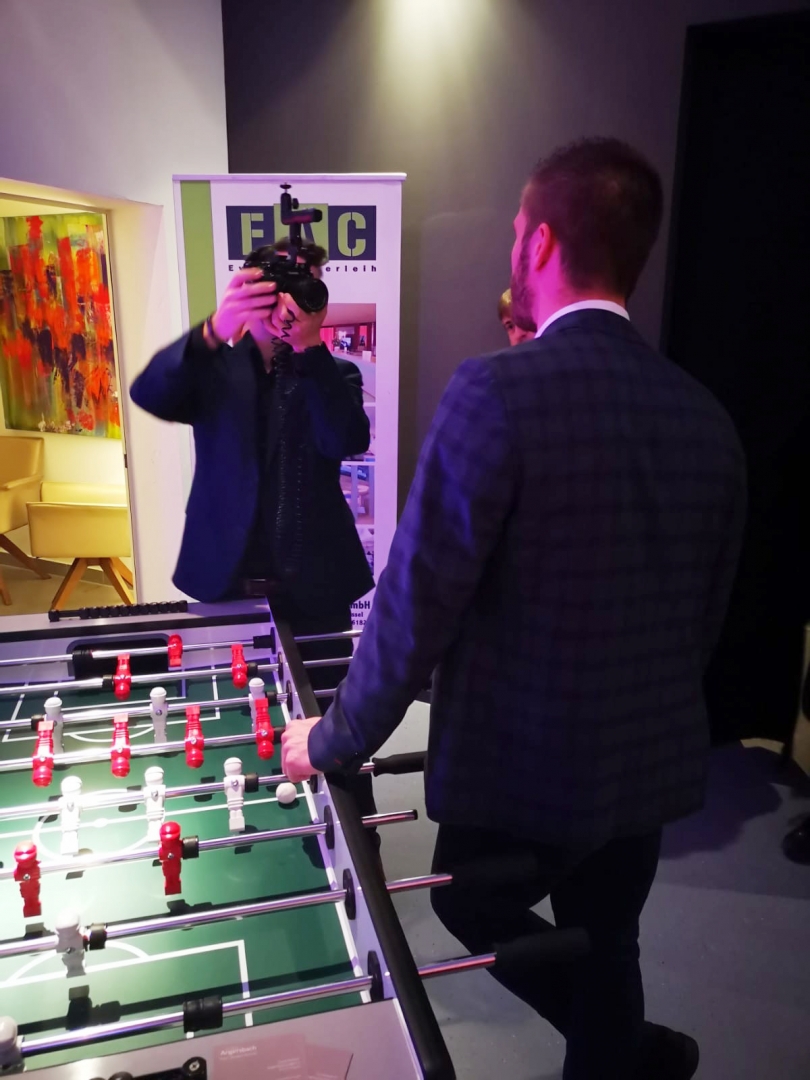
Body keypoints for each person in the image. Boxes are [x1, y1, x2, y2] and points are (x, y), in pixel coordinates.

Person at [282, 138, 747, 1080]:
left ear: (538, 243)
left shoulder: (494, 391)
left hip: (526, 773)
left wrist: (331, 740)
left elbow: (414, 605)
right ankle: (627, 1050)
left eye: (513, 237)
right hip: (645, 767)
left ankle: (622, 1048)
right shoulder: (707, 416)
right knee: (609, 942)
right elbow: (704, 619)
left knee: (466, 900)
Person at [129, 239, 378, 829]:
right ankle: (231, 824)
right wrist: (216, 327)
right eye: (277, 287)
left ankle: (352, 838)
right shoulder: (213, 367)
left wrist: (310, 347)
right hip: (226, 580)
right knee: (224, 722)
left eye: (306, 288)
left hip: (315, 588)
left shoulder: (332, 371)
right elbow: (148, 392)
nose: (290, 301)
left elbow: (345, 437)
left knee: (328, 729)